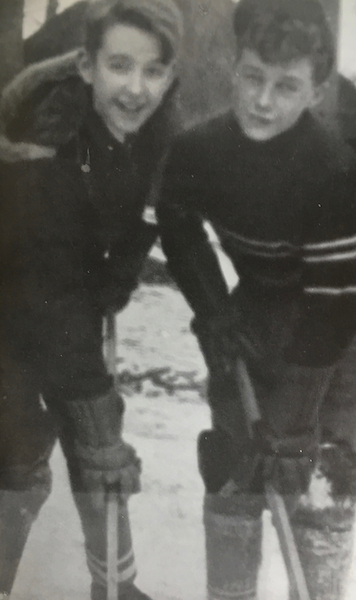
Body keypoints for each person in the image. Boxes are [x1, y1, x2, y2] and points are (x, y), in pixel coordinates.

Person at [157, 1, 356, 599]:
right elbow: (178, 222)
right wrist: (213, 308)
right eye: (253, 78)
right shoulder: (200, 150)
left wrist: (294, 423)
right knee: (235, 468)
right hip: (255, 309)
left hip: (340, 332)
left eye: (286, 86)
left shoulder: (332, 170)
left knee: (317, 473)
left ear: (316, 91)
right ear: (234, 68)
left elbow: (333, 307)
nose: (263, 101)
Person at [0, 1, 183, 599]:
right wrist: (95, 410)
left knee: (93, 443)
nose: (136, 88)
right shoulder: (48, 140)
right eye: (120, 66)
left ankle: (117, 586)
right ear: (86, 64)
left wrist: (122, 271)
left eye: (153, 71)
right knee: (24, 457)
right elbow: (46, 294)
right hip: (15, 307)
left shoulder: (154, 126)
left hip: (60, 301)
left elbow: (142, 214)